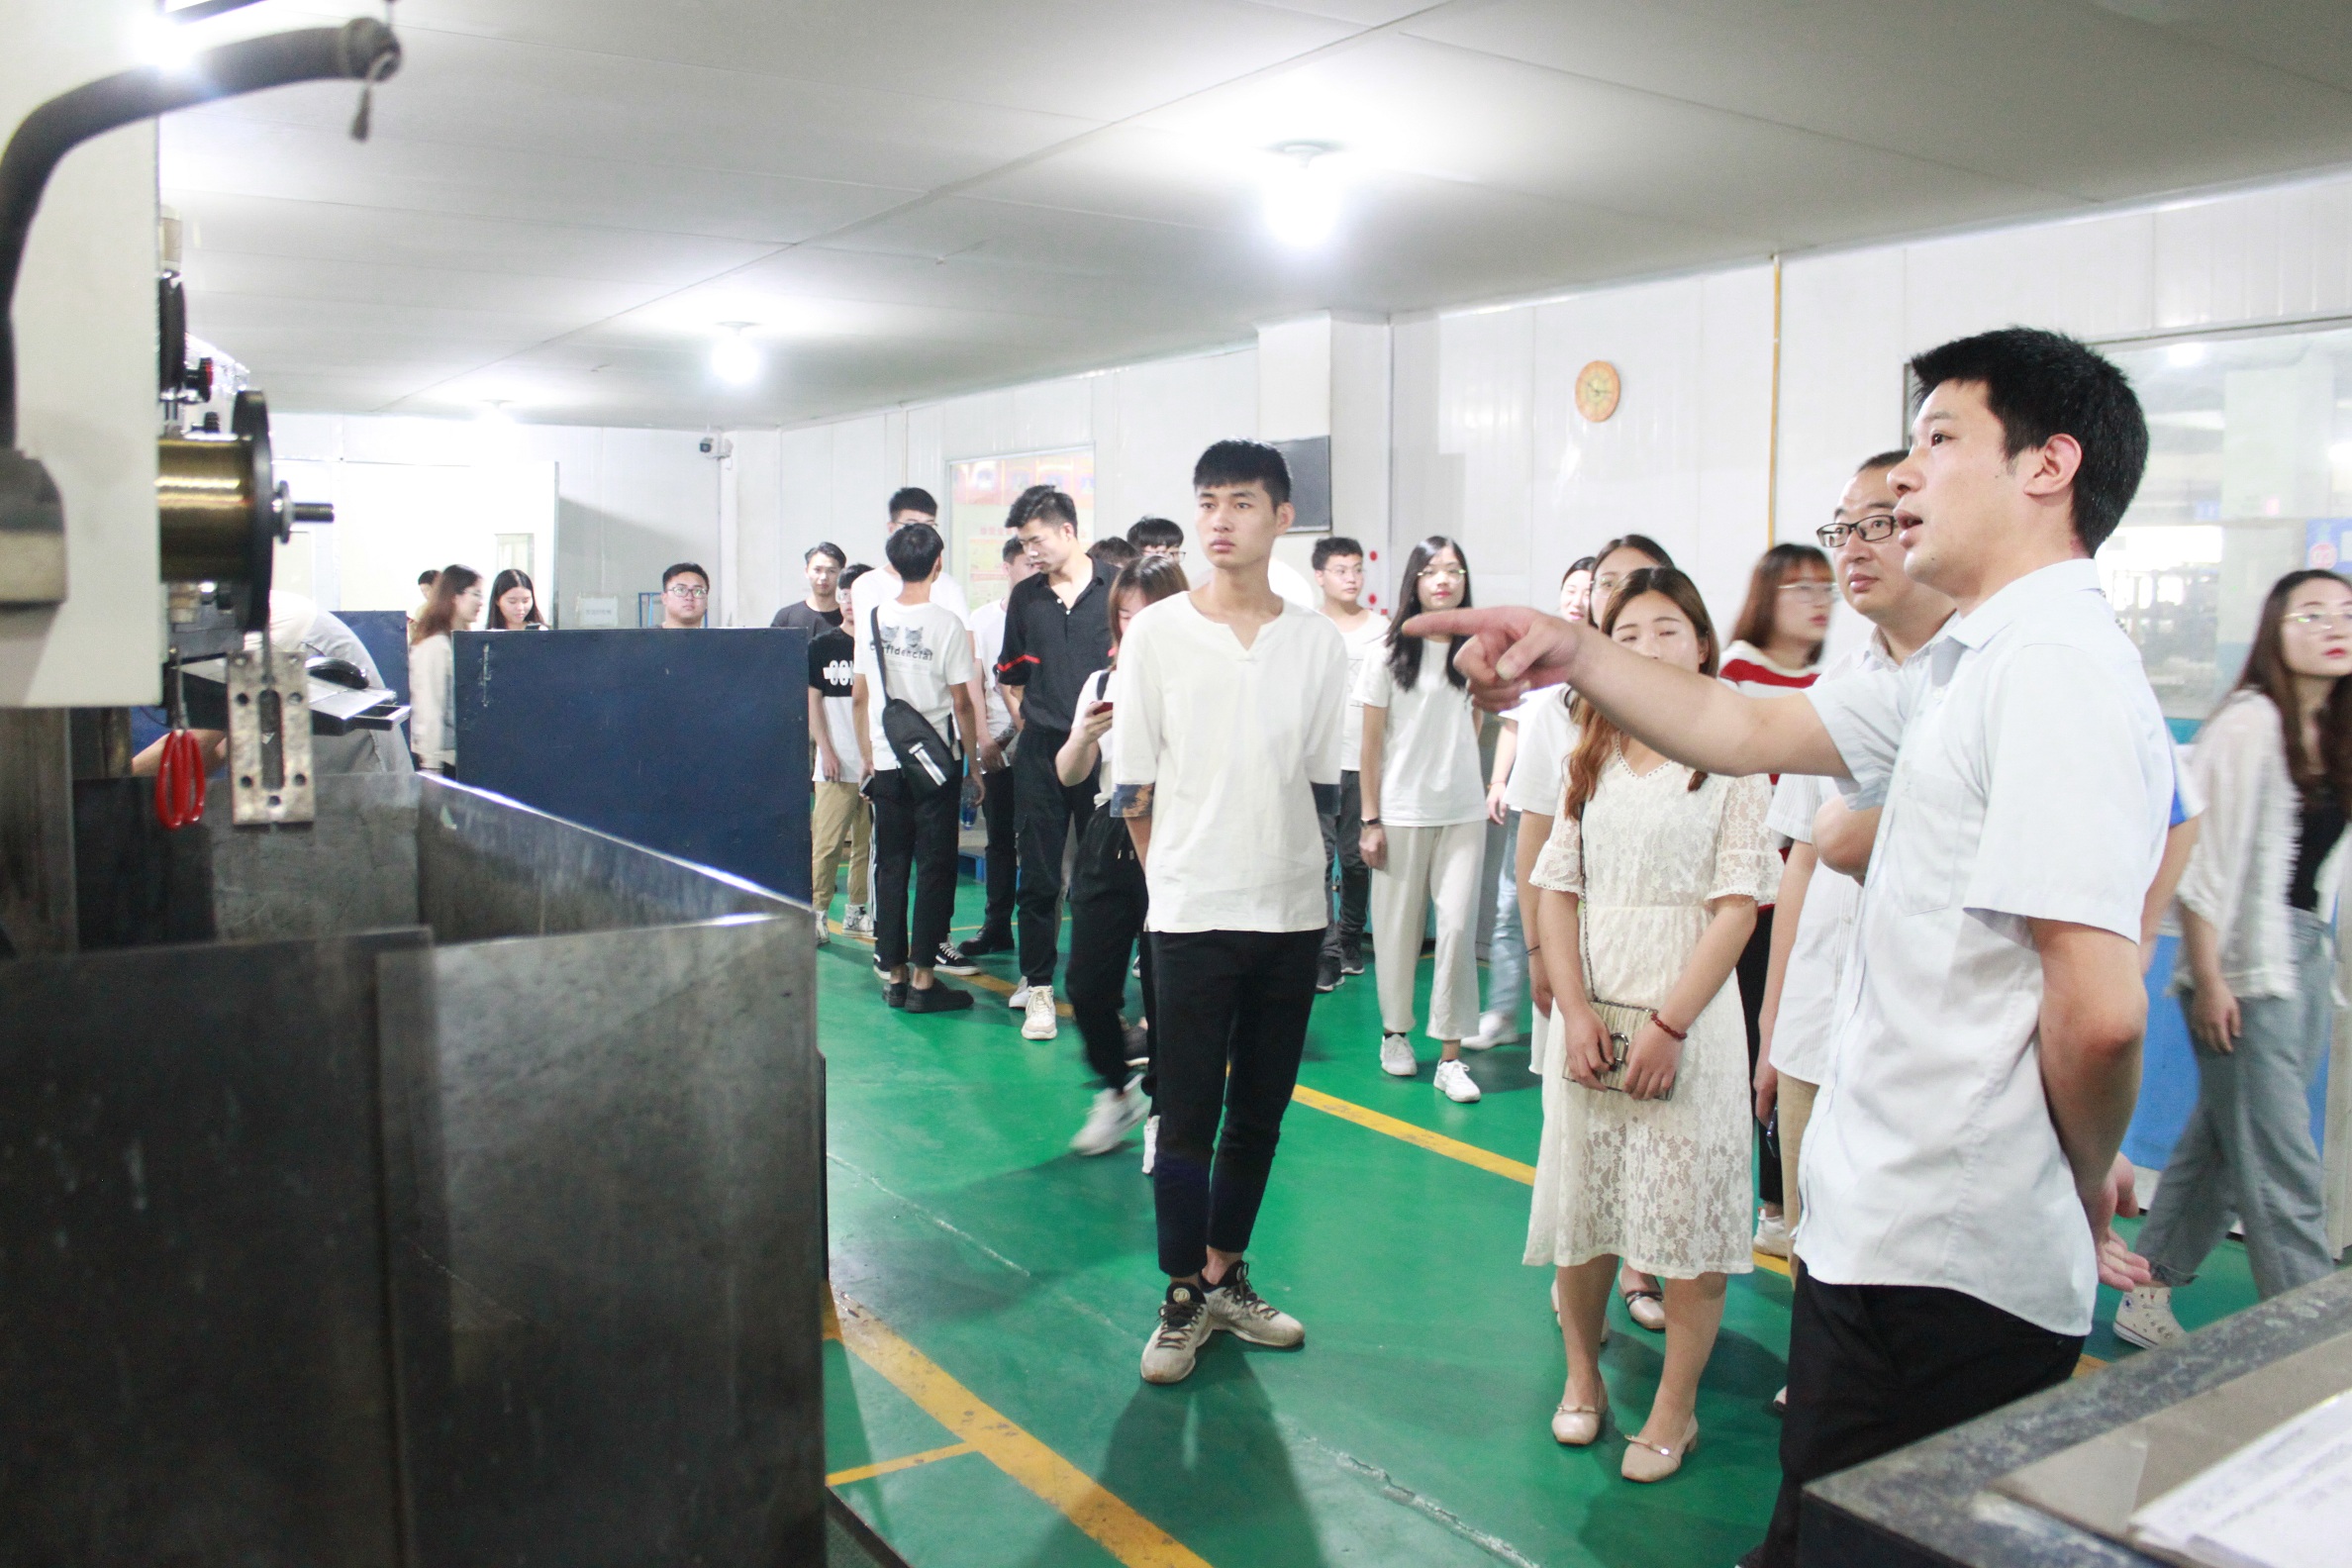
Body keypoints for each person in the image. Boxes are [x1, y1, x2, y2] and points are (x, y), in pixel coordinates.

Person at [1416, 328, 2168, 1568]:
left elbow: (2101, 1014)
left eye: (1940, 440)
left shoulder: (2055, 673)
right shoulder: (1963, 666)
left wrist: (2077, 1176)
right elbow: (1738, 724)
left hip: (1952, 1256)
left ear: (2049, 466)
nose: (1906, 478)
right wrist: (1577, 650)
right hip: (1888, 1229)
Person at [1530, 564, 1776, 1480]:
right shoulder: (1589, 748)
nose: (1647, 647)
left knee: (1689, 1227)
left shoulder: (1734, 749)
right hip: (1593, 1016)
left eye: (1666, 628)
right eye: (1625, 634)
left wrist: (1670, 1027)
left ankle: (1675, 1410)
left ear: (1702, 642)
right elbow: (1558, 889)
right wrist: (1575, 1012)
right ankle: (1582, 1377)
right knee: (1585, 1210)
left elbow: (1737, 908)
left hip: (1692, 1020)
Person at [1114, 440, 1346, 1386]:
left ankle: (1223, 1275)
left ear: (1282, 517)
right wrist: (1171, 883)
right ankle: (1180, 1293)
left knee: (1259, 1113)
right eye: (1208, 501)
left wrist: (1314, 889)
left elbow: (1323, 787)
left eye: (1241, 502)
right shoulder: (1158, 633)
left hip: (1289, 910)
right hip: (1190, 912)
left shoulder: (1317, 643)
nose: (1219, 519)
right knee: (1186, 1114)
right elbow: (1134, 787)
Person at [1749, 454, 1954, 1413]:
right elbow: (1799, 857)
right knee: (1810, 1225)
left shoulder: (1986, 675)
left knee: (1908, 1248)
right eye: (1844, 529)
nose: (1855, 550)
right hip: (1818, 1014)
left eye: (1881, 523)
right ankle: (1822, 1382)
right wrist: (1773, 1024)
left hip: (1926, 1030)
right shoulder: (1842, 683)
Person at [2115, 568, 2352, 1348]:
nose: (2333, 626)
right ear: (2274, 634)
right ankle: (2312, 1342)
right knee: (2283, 1166)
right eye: (2310, 614)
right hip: (2244, 967)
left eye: (2346, 612)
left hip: (2303, 957)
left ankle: (2147, 1285)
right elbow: (2203, 866)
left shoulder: (2336, 729)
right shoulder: (2249, 725)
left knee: (2222, 1142)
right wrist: (2210, 978)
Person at [1717, 541, 1835, 1261]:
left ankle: (1786, 1197)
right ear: (1767, 597)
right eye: (1801, 589)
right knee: (1760, 1050)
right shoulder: (1737, 673)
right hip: (1755, 898)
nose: (1819, 602)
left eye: (1826, 589)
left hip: (1812, 892)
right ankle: (1769, 1199)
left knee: (1794, 1047)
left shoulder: (1833, 682)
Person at [1057, 554, 1190, 1157]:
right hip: (1110, 833)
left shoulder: (1195, 680)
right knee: (1087, 985)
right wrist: (1083, 737)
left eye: (1149, 613)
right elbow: (1069, 773)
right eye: (1126, 615)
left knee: (1170, 989)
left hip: (1178, 832)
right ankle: (1116, 1091)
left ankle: (1165, 1109)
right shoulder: (1101, 683)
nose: (1136, 625)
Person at [1359, 536, 1490, 1104]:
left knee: (1456, 929)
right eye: (1432, 570)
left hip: (1462, 810)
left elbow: (1476, 722)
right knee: (1397, 930)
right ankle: (1395, 1034)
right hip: (1401, 811)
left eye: (1454, 570)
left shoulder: (1478, 652)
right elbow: (1370, 744)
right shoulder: (1386, 655)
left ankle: (1451, 1057)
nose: (1443, 580)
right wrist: (1370, 818)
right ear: (1414, 581)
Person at [996, 487, 1117, 1041]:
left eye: (1036, 540)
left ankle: (1099, 991)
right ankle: (1039, 986)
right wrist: (1035, 721)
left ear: (1068, 531)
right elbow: (1012, 674)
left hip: (1106, 751)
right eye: (1024, 544)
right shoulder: (1027, 597)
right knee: (1040, 874)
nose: (1031, 552)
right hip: (1042, 752)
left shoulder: (1117, 587)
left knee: (1104, 877)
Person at [852, 523, 981, 1015]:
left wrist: (867, 754)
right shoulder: (947, 624)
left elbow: (860, 695)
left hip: (887, 761)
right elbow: (962, 703)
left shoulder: (873, 619)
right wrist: (972, 766)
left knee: (891, 866)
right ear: (937, 564)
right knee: (934, 866)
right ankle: (925, 980)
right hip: (934, 765)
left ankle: (895, 975)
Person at [1473, 556, 1598, 1049]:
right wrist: (1498, 781)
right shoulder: (1534, 652)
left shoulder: (1606, 660)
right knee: (1513, 903)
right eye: (1571, 589)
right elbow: (1514, 724)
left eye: (1590, 589)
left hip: (1581, 807)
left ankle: (1572, 1007)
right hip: (1532, 802)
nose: (1578, 599)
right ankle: (1503, 1011)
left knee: (1572, 908)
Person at [1311, 535, 1389, 990]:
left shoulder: (1382, 629)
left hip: (1364, 760)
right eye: (1341, 570)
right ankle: (1327, 952)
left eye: (1357, 569)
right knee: (1320, 859)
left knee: (1356, 859)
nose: (1352, 578)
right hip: (1318, 761)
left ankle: (1351, 939)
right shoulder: (1306, 626)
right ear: (1320, 576)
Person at [955, 538, 1032, 960]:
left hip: (1036, 742)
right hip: (997, 749)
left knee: (1037, 841)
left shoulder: (1046, 614)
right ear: (1007, 567)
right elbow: (975, 682)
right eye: (1026, 563)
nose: (1035, 570)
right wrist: (983, 739)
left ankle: (1037, 933)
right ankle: (996, 926)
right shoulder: (982, 619)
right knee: (999, 839)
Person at [808, 564, 870, 949]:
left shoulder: (878, 647)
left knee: (867, 845)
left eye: (855, 595)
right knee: (827, 845)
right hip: (835, 763)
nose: (848, 602)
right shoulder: (822, 646)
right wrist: (826, 750)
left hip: (873, 765)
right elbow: (813, 701)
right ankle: (816, 913)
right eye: (844, 595)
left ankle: (857, 912)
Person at [845, 487, 971, 624]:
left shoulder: (949, 586)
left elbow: (965, 635)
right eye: (911, 525)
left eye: (929, 525)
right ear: (891, 528)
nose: (920, 534)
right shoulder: (868, 585)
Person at [408, 564, 483, 775]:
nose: (480, 602)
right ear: (454, 597)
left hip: (457, 756)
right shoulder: (436, 645)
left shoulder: (458, 640)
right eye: (475, 594)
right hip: (440, 762)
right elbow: (429, 708)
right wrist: (431, 765)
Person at [772, 541, 847, 637]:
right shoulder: (786, 617)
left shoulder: (849, 619)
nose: (824, 577)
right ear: (806, 571)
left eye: (831, 571)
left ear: (841, 574)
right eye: (817, 570)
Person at [659, 562, 711, 629]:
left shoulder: (718, 635)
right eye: (680, 590)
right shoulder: (647, 635)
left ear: (706, 601)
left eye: (698, 591)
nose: (689, 597)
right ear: (664, 598)